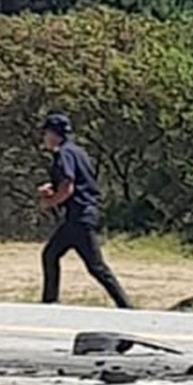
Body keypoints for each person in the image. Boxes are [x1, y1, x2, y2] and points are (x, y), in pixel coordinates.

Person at [38, 113, 132, 309]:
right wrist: (52, 187)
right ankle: (49, 301)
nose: (45, 137)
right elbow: (77, 182)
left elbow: (68, 186)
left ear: (54, 134)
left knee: (95, 266)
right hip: (81, 214)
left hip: (79, 216)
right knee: (52, 254)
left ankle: (126, 307)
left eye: (46, 133)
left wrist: (50, 202)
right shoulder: (78, 152)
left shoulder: (64, 153)